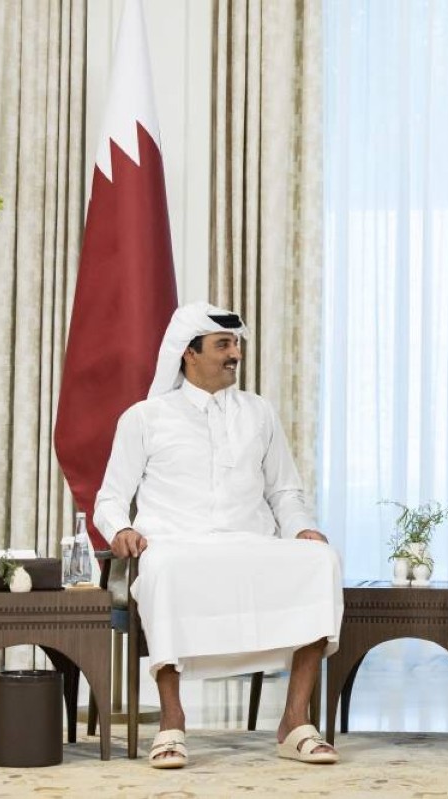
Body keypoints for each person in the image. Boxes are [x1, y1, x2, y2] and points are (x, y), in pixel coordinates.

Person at [95, 301, 343, 769]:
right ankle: (172, 722)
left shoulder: (259, 412)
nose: (236, 354)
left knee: (320, 560)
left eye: (237, 344)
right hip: (175, 544)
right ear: (189, 353)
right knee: (163, 567)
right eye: (223, 345)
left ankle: (295, 721)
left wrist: (302, 528)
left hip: (249, 542)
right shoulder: (145, 417)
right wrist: (121, 528)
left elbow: (284, 490)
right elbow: (110, 497)